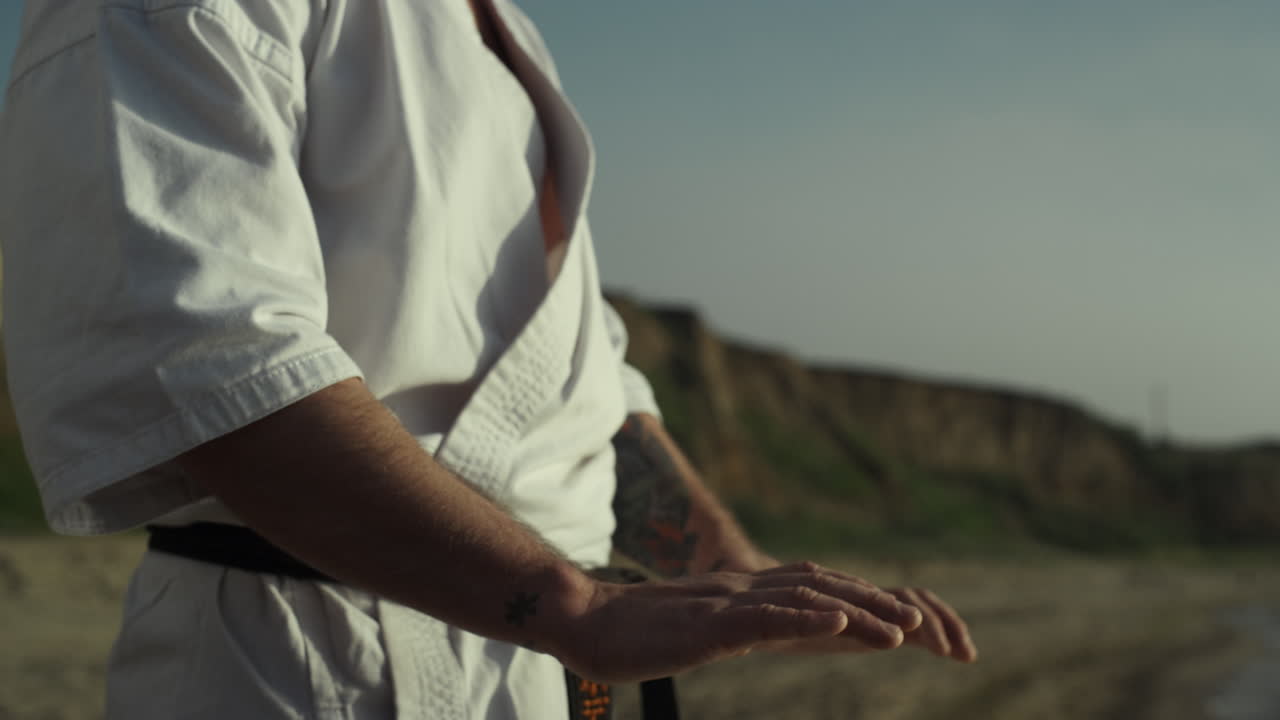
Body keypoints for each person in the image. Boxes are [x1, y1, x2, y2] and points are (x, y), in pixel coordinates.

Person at [0, 0, 976, 718]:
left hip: (537, 658)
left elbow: (585, 384)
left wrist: (732, 567)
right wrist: (573, 604)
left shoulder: (496, 26)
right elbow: (215, 362)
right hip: (313, 667)